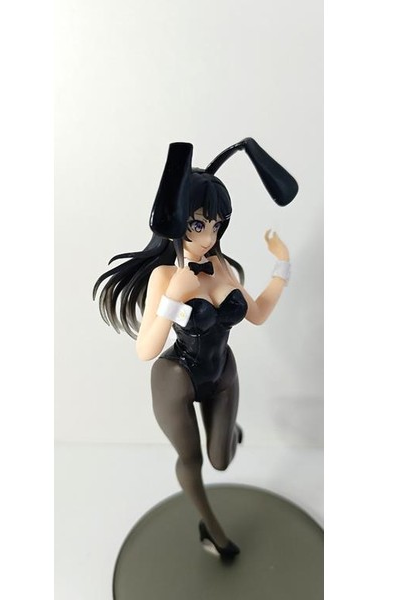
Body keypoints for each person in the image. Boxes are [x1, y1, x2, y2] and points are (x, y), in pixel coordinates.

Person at [93, 138, 297, 558]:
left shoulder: (220, 265)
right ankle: (213, 531)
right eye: (200, 225)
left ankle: (229, 432)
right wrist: (173, 299)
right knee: (193, 461)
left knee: (221, 459)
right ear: (178, 221)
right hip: (177, 377)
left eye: (217, 225)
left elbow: (257, 313)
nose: (209, 236)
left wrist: (282, 265)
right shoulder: (165, 276)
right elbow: (146, 349)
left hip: (221, 371)